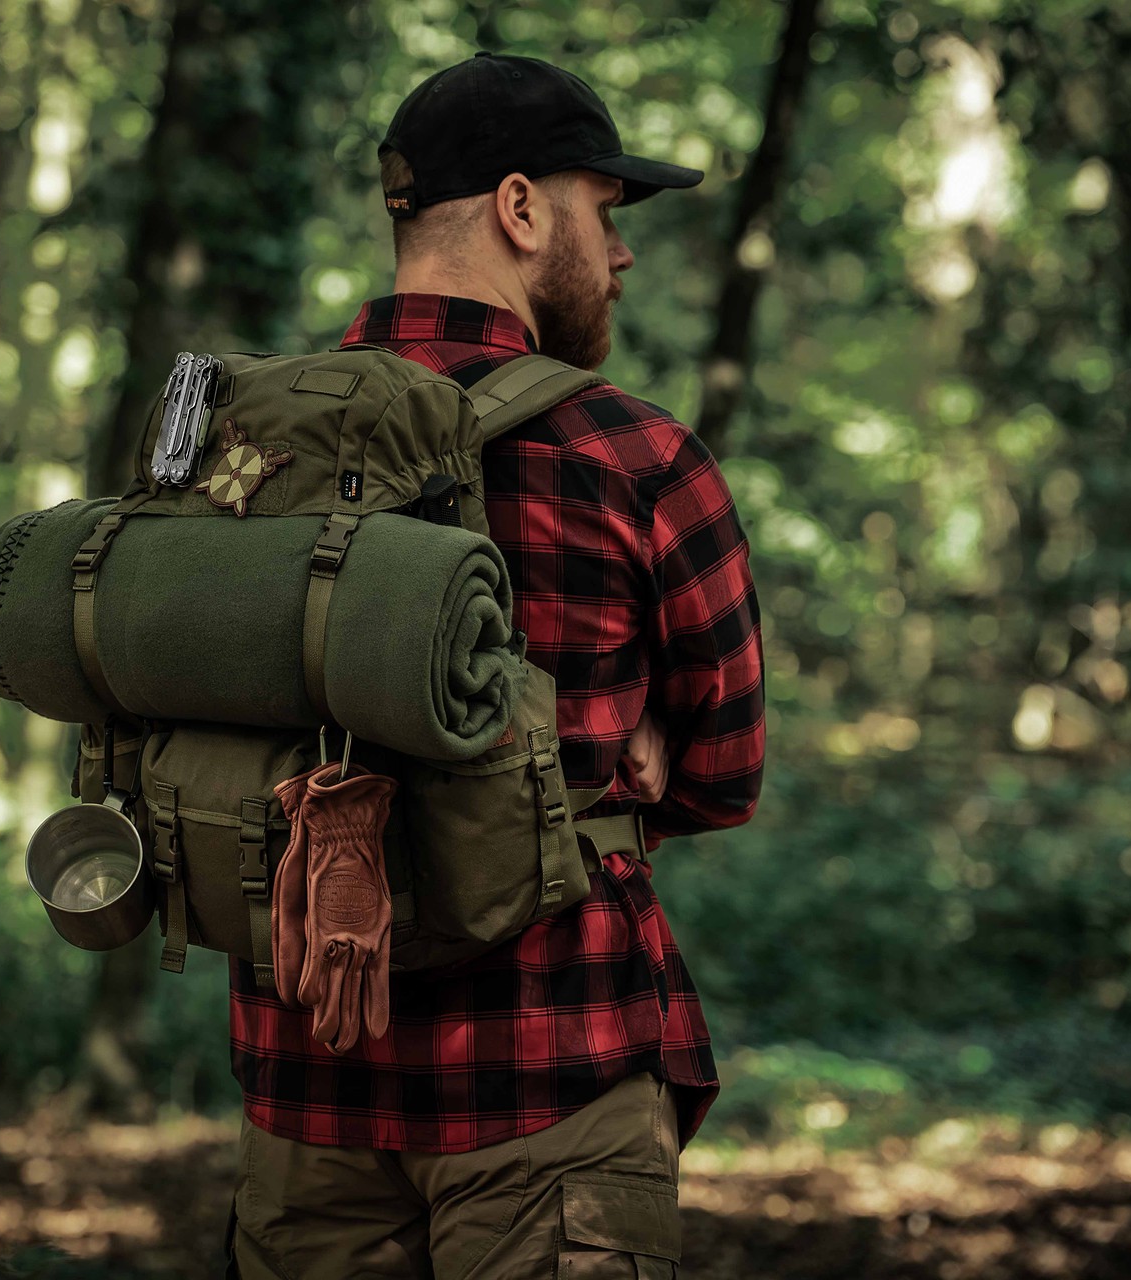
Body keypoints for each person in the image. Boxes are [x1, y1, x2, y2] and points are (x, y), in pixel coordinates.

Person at [227, 52, 765, 1279]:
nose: (621, 254)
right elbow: (724, 775)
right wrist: (620, 756)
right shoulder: (636, 457)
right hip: (551, 1073)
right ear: (520, 208)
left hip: (304, 1080)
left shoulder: (245, 447)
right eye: (604, 210)